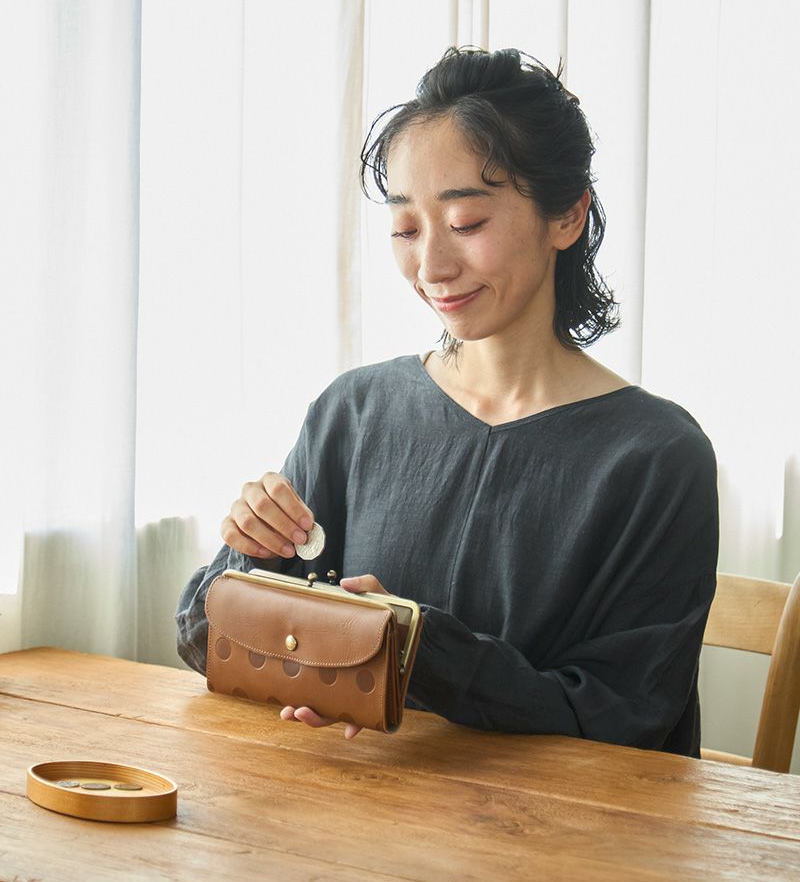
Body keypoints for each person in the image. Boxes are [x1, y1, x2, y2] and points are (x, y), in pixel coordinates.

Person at [176, 47, 718, 753]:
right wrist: (254, 558)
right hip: (363, 819)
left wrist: (413, 648)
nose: (430, 267)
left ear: (567, 217)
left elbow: (624, 717)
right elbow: (202, 636)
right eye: (406, 229)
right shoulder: (357, 411)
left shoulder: (655, 457)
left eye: (466, 224)